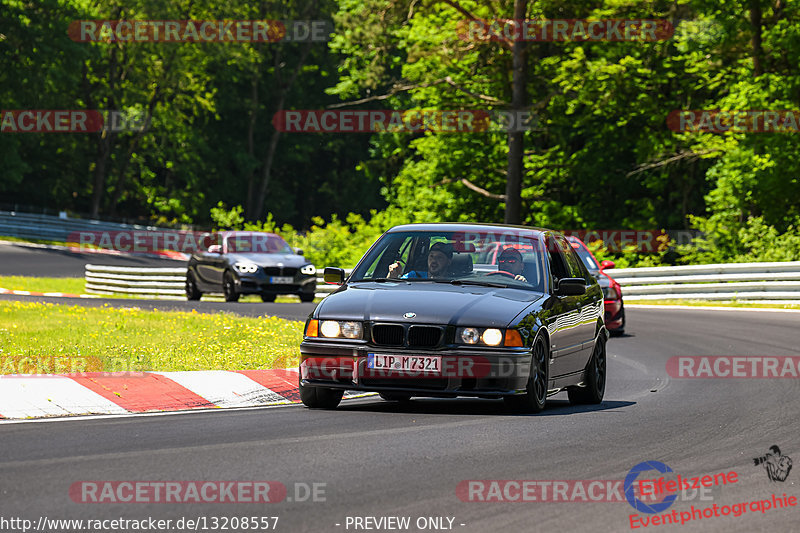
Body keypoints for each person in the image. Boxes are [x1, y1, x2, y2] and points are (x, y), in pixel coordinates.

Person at [388, 242, 452, 279]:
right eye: (431, 256)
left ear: (449, 261)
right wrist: (393, 275)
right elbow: (395, 288)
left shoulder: (455, 281)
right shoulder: (413, 276)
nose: (434, 260)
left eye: (439, 257)